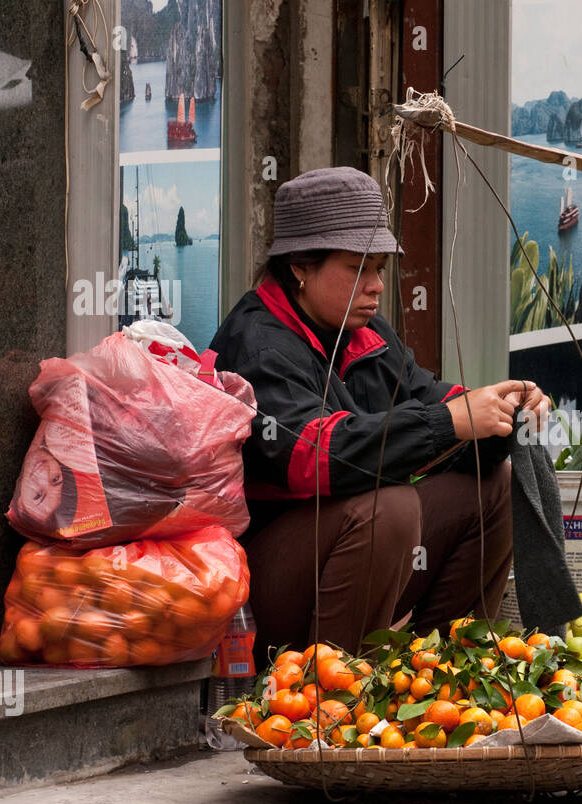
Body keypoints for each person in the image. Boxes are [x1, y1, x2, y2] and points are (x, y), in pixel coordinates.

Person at [210, 167, 550, 660]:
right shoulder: (258, 347)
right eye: (358, 268)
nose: (375, 286)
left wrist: (503, 410)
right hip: (258, 590)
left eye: (380, 269)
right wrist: (449, 421)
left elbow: (430, 397)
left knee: (491, 482)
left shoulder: (364, 332)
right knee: (386, 507)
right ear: (300, 267)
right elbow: (317, 455)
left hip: (339, 560)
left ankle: (443, 670)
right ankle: (334, 694)